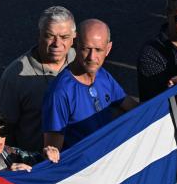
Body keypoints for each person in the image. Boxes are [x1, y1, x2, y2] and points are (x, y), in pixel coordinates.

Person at [42, 19, 140, 151]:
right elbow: (53, 153)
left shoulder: (103, 75)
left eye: (98, 50)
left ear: (108, 49)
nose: (92, 57)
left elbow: (134, 108)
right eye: (86, 49)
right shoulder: (60, 93)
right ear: (75, 44)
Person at [0, 6, 76, 152]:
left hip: (78, 156)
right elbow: (2, 128)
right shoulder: (15, 76)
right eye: (50, 36)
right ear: (39, 35)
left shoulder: (80, 61)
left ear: (73, 37)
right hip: (36, 163)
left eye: (64, 37)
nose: (57, 44)